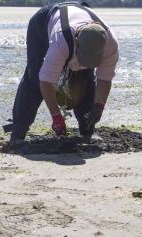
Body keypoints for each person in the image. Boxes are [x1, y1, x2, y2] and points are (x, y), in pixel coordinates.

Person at [9, 1, 119, 146]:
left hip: (76, 23)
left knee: (86, 79)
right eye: (85, 58)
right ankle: (18, 133)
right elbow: (45, 81)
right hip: (42, 25)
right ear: (77, 42)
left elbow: (104, 79)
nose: (85, 63)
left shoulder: (110, 44)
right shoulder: (61, 40)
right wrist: (56, 116)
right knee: (34, 77)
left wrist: (99, 106)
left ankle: (87, 131)